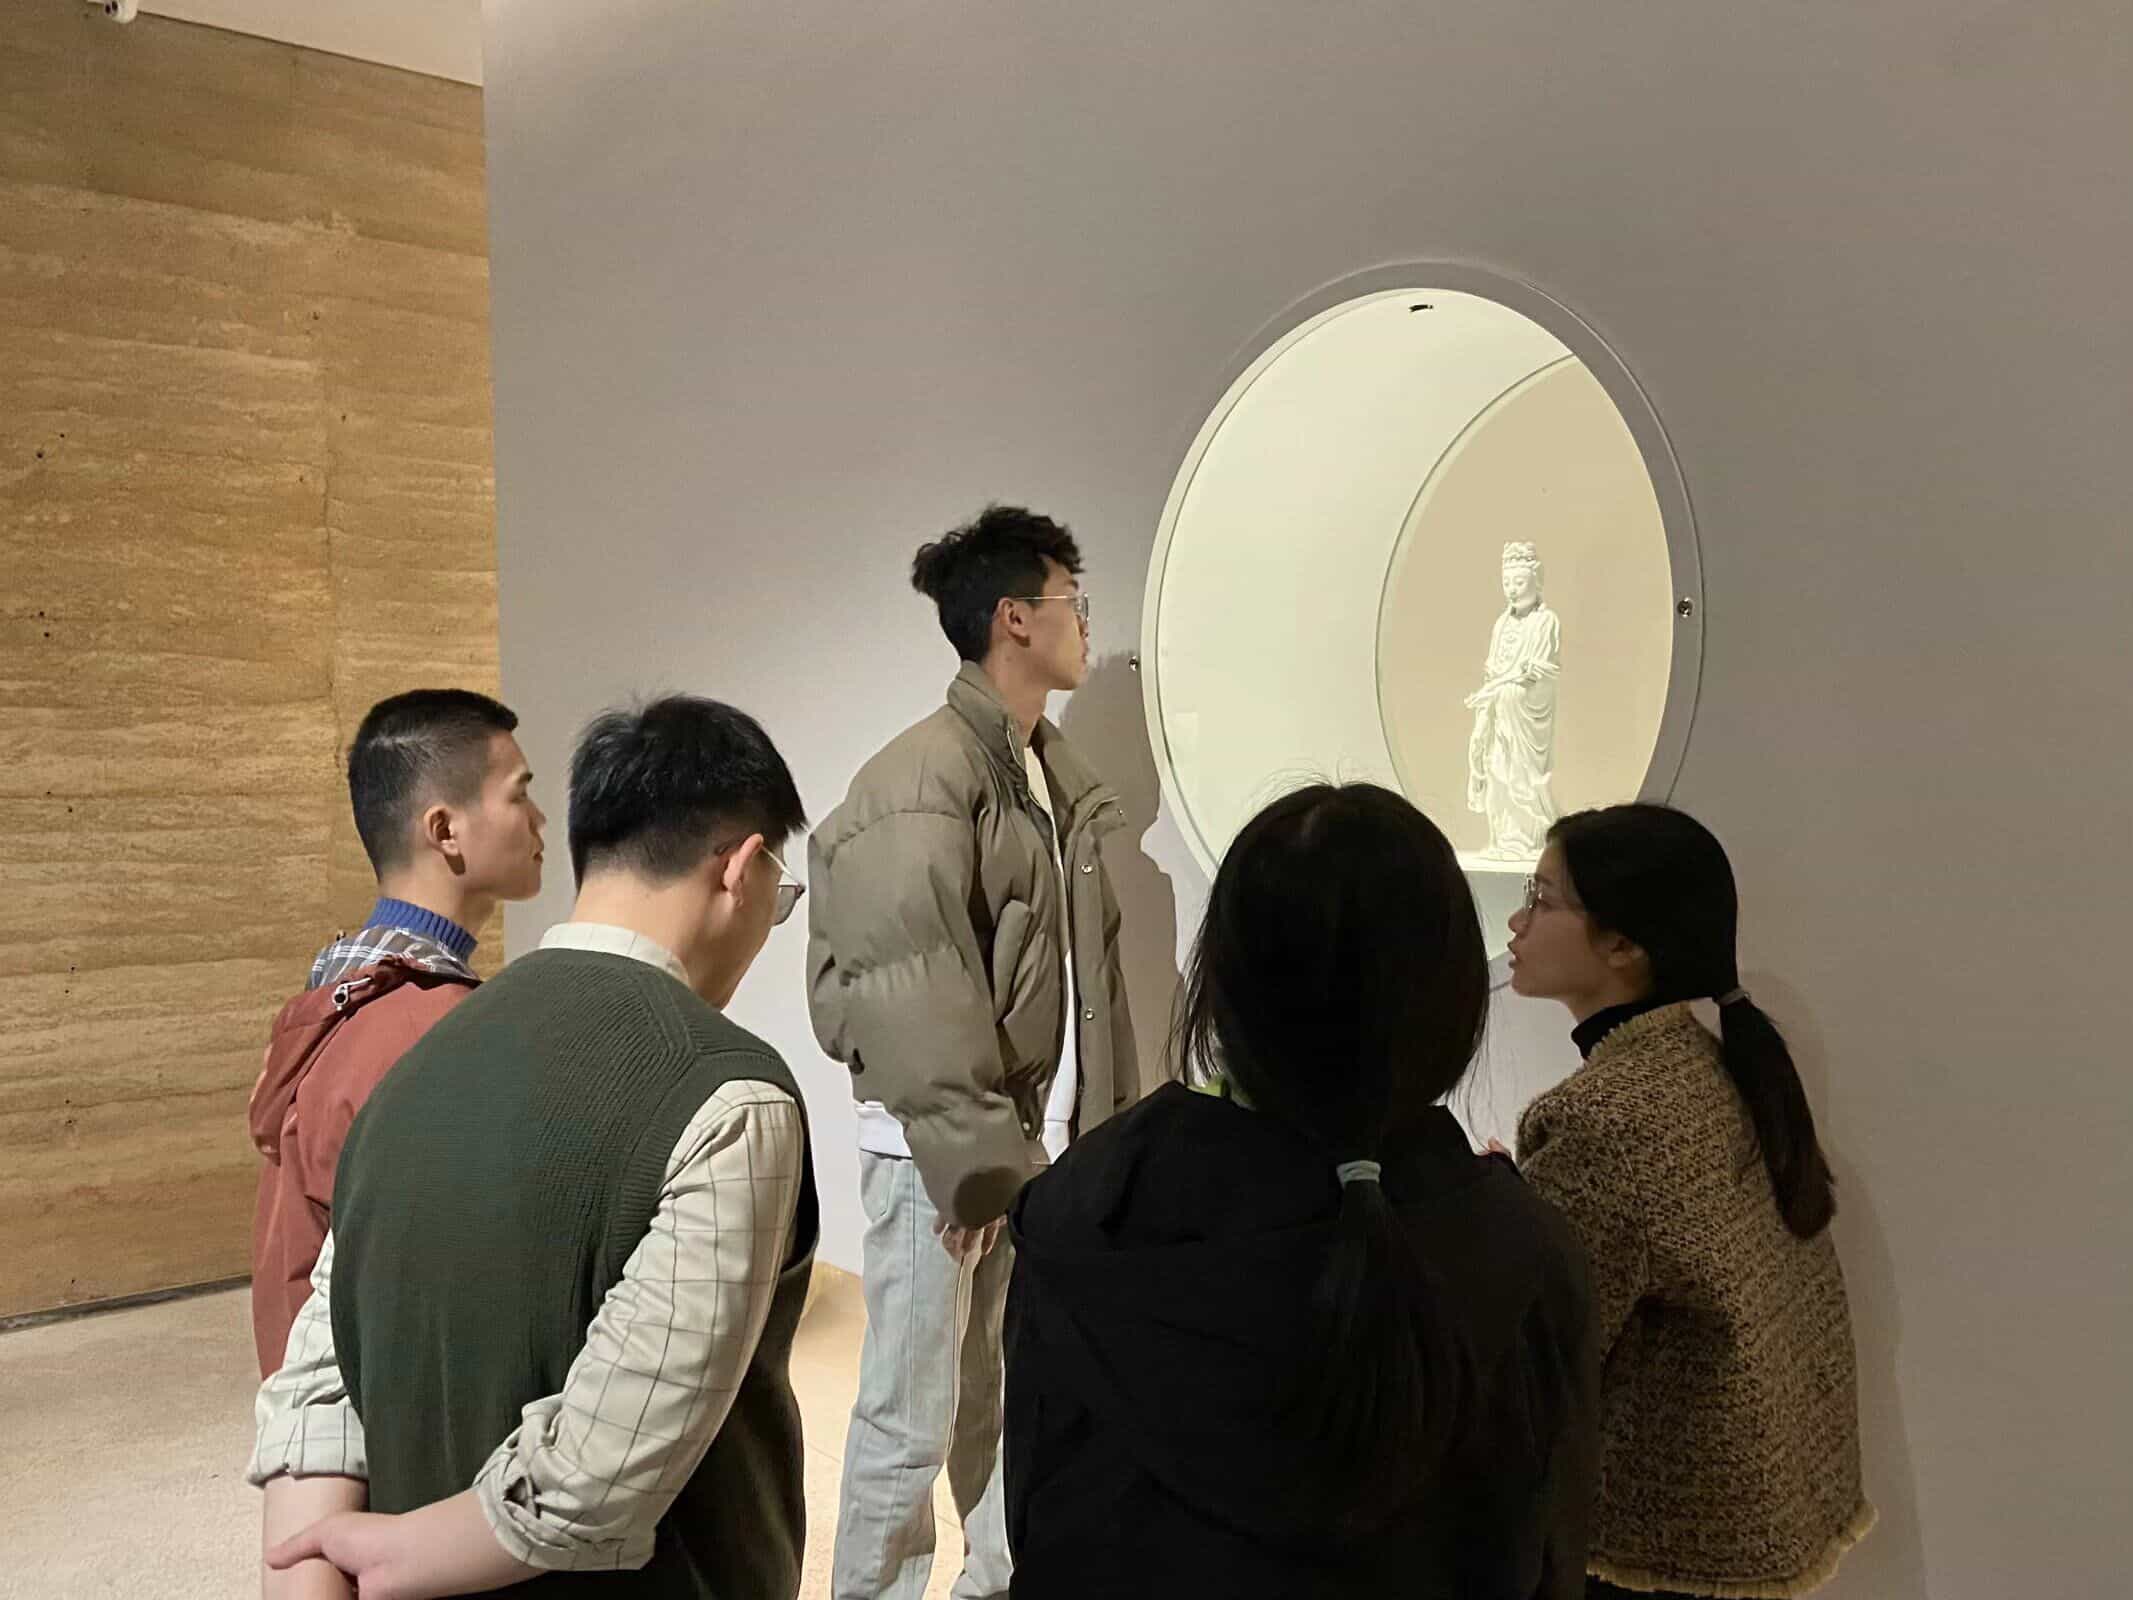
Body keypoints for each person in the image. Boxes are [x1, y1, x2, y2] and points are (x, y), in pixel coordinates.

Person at [249, 695, 818, 1600]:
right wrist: (407, 1552)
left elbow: (321, 1364)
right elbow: (599, 1471)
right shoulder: (732, 1096)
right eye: (779, 898)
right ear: (741, 870)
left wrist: (309, 1562)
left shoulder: (413, 1055)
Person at [1004, 783, 1598, 1599]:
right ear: (1452, 995)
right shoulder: (1522, 1251)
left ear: (1222, 982)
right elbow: (1547, 1548)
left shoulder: (1091, 1206)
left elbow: (1040, 1513)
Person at [807, 504, 1140, 1600]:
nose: (1087, 623)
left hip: (1025, 1153)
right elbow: (911, 986)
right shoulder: (921, 779)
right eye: (1074, 601)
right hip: (940, 1160)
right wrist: (973, 1165)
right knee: (908, 1418)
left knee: (1009, 1400)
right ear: (1015, 618)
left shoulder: (1045, 773)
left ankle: (995, 1586)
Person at [1507, 803, 1874, 1598]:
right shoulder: (1703, 1063)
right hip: (1757, 1503)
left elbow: (1543, 1345)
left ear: (1623, 944)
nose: (1515, 921)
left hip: (1662, 1541)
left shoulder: (1605, 1117)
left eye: (1541, 899)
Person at [248, 688, 544, 1377]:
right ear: (445, 830)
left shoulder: (339, 999)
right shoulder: (425, 1028)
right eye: (519, 794)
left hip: (310, 1391)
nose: (539, 818)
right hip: (384, 1409)